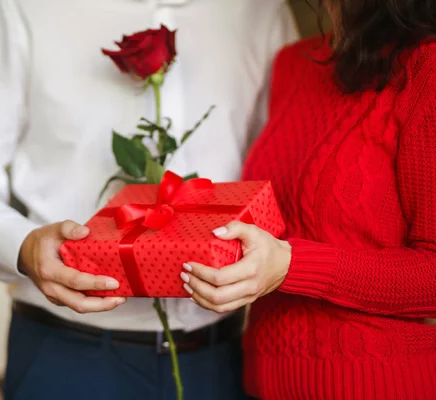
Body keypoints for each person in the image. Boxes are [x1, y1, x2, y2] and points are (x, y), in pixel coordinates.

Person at [0, 1, 298, 399]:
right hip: (67, 357)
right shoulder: (20, 7)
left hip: (221, 359)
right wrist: (23, 245)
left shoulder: (261, 9)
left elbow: (287, 164)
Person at [180, 1, 436, 399]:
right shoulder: (293, 62)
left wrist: (291, 265)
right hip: (261, 381)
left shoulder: (426, 66)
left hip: (378, 385)